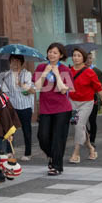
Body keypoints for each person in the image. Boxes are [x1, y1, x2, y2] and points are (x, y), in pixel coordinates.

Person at [34, 42, 74, 176]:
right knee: (43, 136)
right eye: (50, 51)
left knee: (58, 138)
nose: (51, 54)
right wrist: (45, 73)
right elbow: (37, 87)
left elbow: (64, 90)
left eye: (55, 52)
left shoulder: (65, 70)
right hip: (46, 108)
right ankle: (52, 156)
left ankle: (56, 166)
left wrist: (57, 74)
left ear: (61, 55)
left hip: (62, 109)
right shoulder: (40, 67)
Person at [67, 47, 102, 163]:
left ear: (83, 58)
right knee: (79, 126)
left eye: (78, 56)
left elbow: (99, 89)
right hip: (72, 103)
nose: (76, 58)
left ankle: (76, 153)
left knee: (78, 125)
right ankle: (91, 148)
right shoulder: (68, 71)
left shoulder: (89, 72)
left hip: (86, 103)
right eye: (74, 55)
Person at [0, 54, 34, 160]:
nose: (15, 63)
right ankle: (10, 151)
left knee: (26, 130)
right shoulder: (5, 75)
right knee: (10, 130)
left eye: (18, 61)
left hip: (25, 106)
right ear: (10, 62)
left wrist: (20, 83)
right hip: (12, 107)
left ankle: (28, 153)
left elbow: (30, 89)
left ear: (21, 63)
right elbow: (4, 91)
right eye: (13, 61)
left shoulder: (26, 74)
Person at [85, 53, 102, 149]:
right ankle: (88, 133)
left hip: (93, 98)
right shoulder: (79, 70)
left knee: (92, 120)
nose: (88, 60)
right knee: (79, 121)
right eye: (86, 58)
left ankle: (92, 139)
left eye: (90, 58)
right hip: (80, 100)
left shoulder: (96, 71)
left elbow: (101, 86)